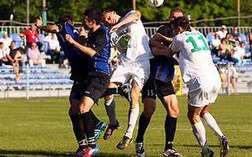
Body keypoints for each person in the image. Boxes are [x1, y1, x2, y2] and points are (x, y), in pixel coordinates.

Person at [36, 12, 107, 157]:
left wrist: (40, 26)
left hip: (84, 70)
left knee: (80, 107)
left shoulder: (65, 26)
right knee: (73, 109)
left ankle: (92, 142)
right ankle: (83, 145)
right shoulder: (76, 30)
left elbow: (53, 28)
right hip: (80, 69)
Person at [169, 16, 229, 157]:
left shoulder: (179, 37)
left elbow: (169, 51)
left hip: (200, 81)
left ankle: (205, 150)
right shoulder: (199, 34)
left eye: (173, 30)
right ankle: (222, 138)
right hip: (215, 77)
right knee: (203, 112)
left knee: (192, 115)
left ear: (178, 28)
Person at [134, 8, 183, 157]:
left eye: (178, 18)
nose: (175, 20)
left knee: (174, 110)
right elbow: (152, 45)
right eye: (173, 17)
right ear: (169, 18)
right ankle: (139, 140)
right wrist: (169, 49)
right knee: (150, 109)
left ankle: (169, 148)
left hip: (166, 77)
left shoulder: (185, 33)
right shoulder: (165, 29)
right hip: (153, 75)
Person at [102, 9, 153, 149]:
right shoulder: (112, 32)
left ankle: (128, 135)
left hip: (141, 62)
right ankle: (113, 122)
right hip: (125, 63)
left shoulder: (129, 15)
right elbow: (120, 48)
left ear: (113, 12)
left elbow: (137, 15)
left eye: (108, 17)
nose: (107, 21)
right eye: (105, 21)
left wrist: (118, 26)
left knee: (134, 95)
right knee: (108, 91)